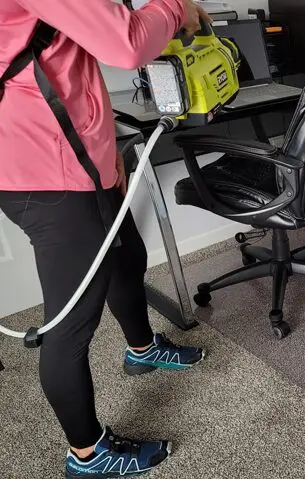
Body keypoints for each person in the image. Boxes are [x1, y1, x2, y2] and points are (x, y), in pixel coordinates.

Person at [0, 1, 212, 477]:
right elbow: (127, 44)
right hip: (49, 175)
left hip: (74, 159)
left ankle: (141, 350)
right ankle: (88, 454)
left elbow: (66, 62)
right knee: (70, 325)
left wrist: (103, 148)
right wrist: (180, 9)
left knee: (126, 256)